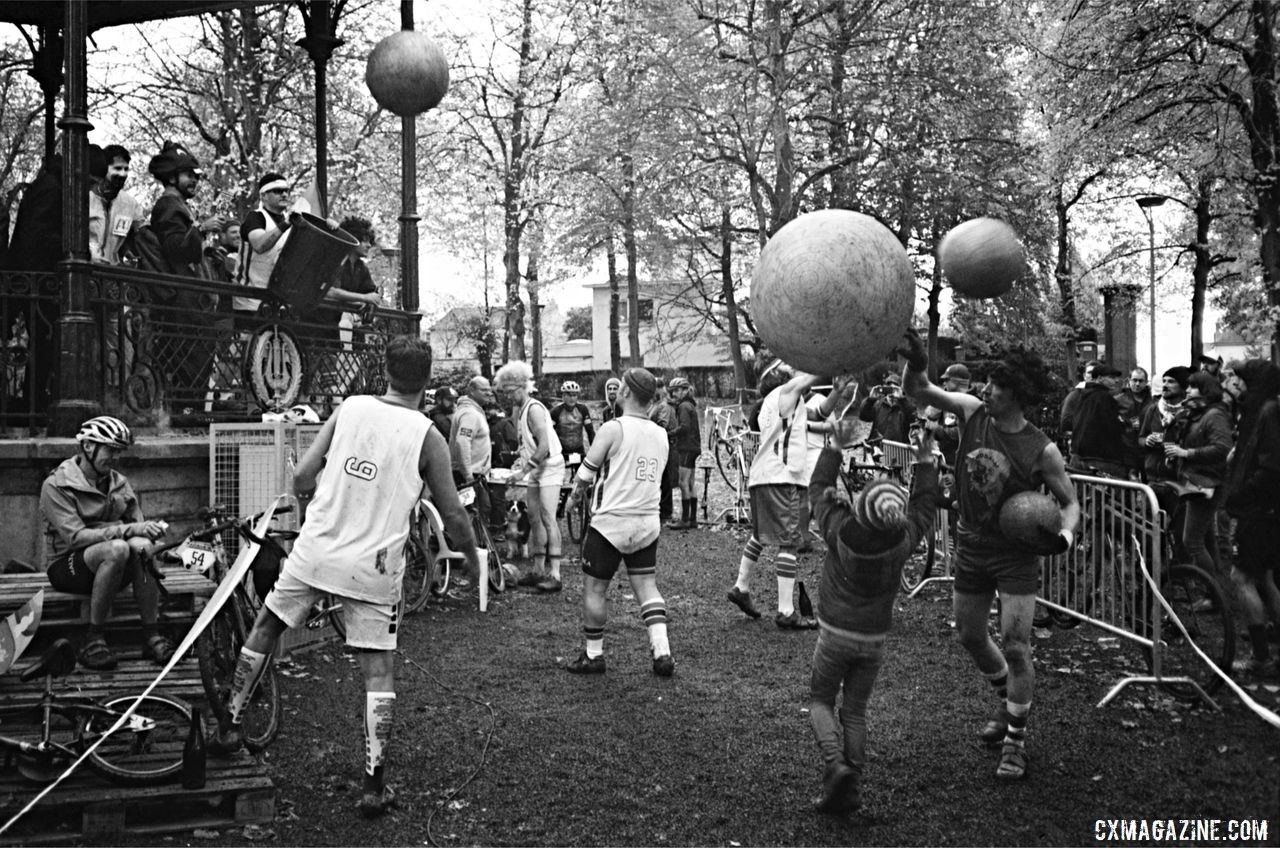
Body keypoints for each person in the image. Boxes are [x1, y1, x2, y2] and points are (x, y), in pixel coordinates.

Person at [208, 335, 480, 818]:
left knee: (266, 628)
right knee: (377, 669)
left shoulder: (351, 407)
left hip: (316, 550)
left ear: (385, 371)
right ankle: (374, 784)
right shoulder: (428, 435)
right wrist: (471, 560)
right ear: (427, 376)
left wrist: (321, 501)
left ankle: (229, 723)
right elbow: (454, 514)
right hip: (373, 567)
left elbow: (301, 478)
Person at [899, 329, 1078, 781]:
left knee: (1017, 645)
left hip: (1015, 555)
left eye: (995, 388)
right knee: (970, 636)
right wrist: (918, 359)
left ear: (1015, 395)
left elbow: (1071, 503)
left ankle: (1015, 743)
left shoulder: (1042, 450)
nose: (985, 392)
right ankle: (1006, 700)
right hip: (972, 545)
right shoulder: (971, 412)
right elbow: (916, 390)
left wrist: (1065, 538)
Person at [807, 418, 940, 814]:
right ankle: (854, 785)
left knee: (820, 700)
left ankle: (836, 765)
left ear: (863, 506)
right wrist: (926, 459)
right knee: (856, 711)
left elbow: (817, 492)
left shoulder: (840, 530)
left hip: (834, 632)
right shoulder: (903, 540)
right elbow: (925, 505)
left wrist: (833, 448)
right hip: (875, 638)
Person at [563, 368, 674, 677]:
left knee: (595, 589)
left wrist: (572, 500)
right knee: (647, 586)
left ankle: (594, 655)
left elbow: (586, 473)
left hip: (610, 523)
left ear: (625, 392)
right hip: (647, 522)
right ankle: (662, 650)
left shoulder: (613, 428)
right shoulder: (661, 434)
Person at [39, 416, 174, 670]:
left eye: (119, 452)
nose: (115, 458)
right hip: (67, 566)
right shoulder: (56, 485)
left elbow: (138, 529)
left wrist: (150, 535)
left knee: (141, 548)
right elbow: (76, 537)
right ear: (89, 446)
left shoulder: (118, 483)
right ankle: (93, 639)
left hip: (114, 566)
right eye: (110, 450)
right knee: (118, 548)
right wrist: (130, 529)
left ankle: (151, 635)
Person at [727, 364, 855, 628]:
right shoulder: (783, 394)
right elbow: (807, 377)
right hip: (780, 476)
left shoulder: (780, 404)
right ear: (782, 382)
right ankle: (785, 611)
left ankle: (741, 586)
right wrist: (831, 359)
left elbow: (819, 413)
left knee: (760, 535)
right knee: (789, 541)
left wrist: (836, 391)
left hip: (764, 476)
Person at [1222, 359, 1280, 678]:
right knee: (1266, 579)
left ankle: (1260, 657)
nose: (1237, 385)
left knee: (1241, 579)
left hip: (1257, 510)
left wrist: (1240, 496)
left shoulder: (1268, 412)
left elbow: (1270, 467)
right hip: (1265, 510)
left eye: (1242, 380)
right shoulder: (1263, 408)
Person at [494, 360, 566, 593]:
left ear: (521, 386)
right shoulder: (521, 410)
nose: (507, 396)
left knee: (548, 517)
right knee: (534, 517)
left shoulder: (534, 409)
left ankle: (555, 573)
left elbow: (544, 445)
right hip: (537, 469)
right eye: (504, 391)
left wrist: (522, 472)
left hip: (550, 467)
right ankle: (537, 569)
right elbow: (531, 443)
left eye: (509, 391)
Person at [1161, 370, 1233, 584]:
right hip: (1195, 479)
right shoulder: (1198, 412)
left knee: (1191, 541)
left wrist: (1186, 454)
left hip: (1205, 483)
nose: (1188, 390)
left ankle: (1211, 591)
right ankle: (1216, 583)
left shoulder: (1214, 415)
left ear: (1205, 390)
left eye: (1192, 387)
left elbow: (1222, 447)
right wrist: (1177, 457)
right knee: (1206, 536)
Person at [236, 172, 293, 323]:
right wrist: (285, 224)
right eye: (277, 191)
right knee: (251, 345)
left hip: (278, 303)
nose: (284, 195)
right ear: (263, 196)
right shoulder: (255, 217)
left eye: (286, 191)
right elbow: (260, 245)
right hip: (250, 303)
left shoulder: (292, 223)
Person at [1060, 363, 1128, 477]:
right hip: (1100, 460)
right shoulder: (1104, 398)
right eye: (1111, 377)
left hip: (1080, 457)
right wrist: (1124, 424)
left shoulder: (1083, 396)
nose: (1116, 381)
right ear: (1100, 378)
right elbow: (1111, 429)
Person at [451, 375, 496, 530]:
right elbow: (462, 442)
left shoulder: (473, 411)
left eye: (489, 390)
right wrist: (468, 475)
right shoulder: (470, 414)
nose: (488, 394)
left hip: (474, 474)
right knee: (477, 512)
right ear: (471, 391)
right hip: (469, 476)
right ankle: (473, 550)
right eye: (483, 390)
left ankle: (475, 548)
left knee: (476, 514)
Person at [89, 144, 145, 266]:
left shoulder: (130, 203)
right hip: (87, 271)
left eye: (126, 169)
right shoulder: (85, 198)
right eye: (117, 168)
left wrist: (127, 250)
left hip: (113, 276)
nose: (123, 174)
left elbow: (142, 233)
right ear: (104, 168)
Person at [1137, 366, 1191, 483]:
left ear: (1183, 386)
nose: (1165, 385)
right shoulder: (1153, 409)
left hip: (1179, 480)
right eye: (1164, 381)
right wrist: (1147, 441)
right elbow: (1140, 438)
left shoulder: (1189, 412)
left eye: (1171, 382)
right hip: (1153, 478)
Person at [797, 385, 835, 552]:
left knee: (820, 496)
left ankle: (831, 538)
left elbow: (832, 425)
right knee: (800, 496)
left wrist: (809, 427)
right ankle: (804, 538)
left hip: (815, 452)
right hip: (797, 452)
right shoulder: (792, 399)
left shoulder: (820, 400)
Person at [667, 376, 701, 530]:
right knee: (691, 483)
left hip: (686, 448)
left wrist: (670, 433)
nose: (674, 394)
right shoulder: (691, 405)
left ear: (685, 390)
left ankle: (685, 519)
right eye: (673, 391)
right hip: (694, 447)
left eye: (677, 390)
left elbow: (685, 427)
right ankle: (693, 519)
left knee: (682, 482)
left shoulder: (683, 407)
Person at [923, 363, 972, 467]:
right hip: (946, 459)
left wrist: (938, 430)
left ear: (957, 382)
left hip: (964, 460)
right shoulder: (947, 401)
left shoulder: (970, 403)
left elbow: (960, 432)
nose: (944, 384)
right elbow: (929, 420)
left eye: (947, 380)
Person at [647, 379, 678, 523]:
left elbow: (663, 425)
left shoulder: (664, 405)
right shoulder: (656, 404)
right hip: (655, 444)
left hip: (664, 445)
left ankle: (666, 511)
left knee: (665, 478)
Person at [857, 372, 915, 444]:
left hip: (900, 450)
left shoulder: (905, 407)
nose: (891, 393)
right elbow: (863, 416)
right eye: (888, 389)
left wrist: (902, 400)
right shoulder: (878, 405)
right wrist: (870, 400)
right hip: (880, 449)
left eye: (894, 390)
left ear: (900, 390)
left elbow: (913, 418)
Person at [549, 380, 595, 468]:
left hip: (578, 449)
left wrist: (594, 450)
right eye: (569, 395)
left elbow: (590, 431)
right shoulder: (556, 411)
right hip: (562, 450)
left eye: (574, 395)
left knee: (581, 477)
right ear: (563, 396)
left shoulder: (583, 409)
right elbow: (551, 434)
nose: (572, 398)